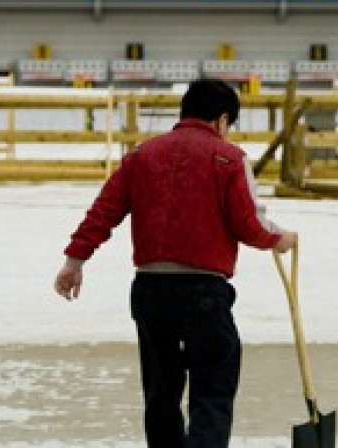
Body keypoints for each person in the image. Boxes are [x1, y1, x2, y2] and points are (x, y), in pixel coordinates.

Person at [53, 78, 297, 448]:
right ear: (221, 119)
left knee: (161, 393)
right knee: (212, 389)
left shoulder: (141, 156)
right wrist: (279, 239)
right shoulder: (229, 158)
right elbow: (248, 224)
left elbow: (103, 213)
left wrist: (74, 261)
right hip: (205, 291)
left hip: (150, 291)